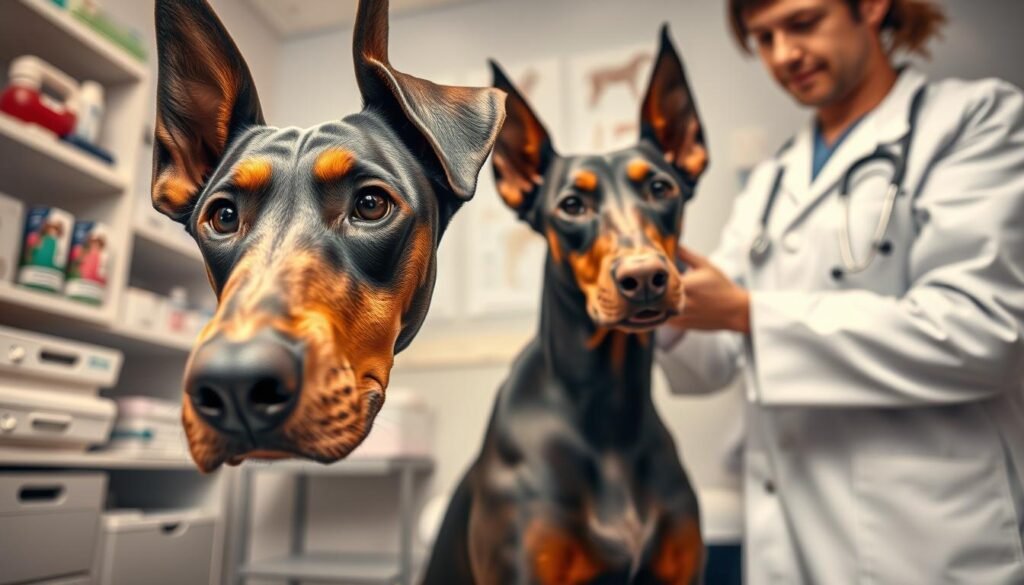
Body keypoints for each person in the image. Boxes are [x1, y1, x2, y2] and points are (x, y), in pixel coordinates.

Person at [656, 0, 1024, 582]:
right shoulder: (774, 181)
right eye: (764, 38)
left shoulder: (972, 121)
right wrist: (660, 306)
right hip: (790, 540)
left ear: (873, 7)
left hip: (925, 541)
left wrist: (751, 315)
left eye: (803, 24)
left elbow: (982, 331)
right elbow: (714, 361)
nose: (784, 56)